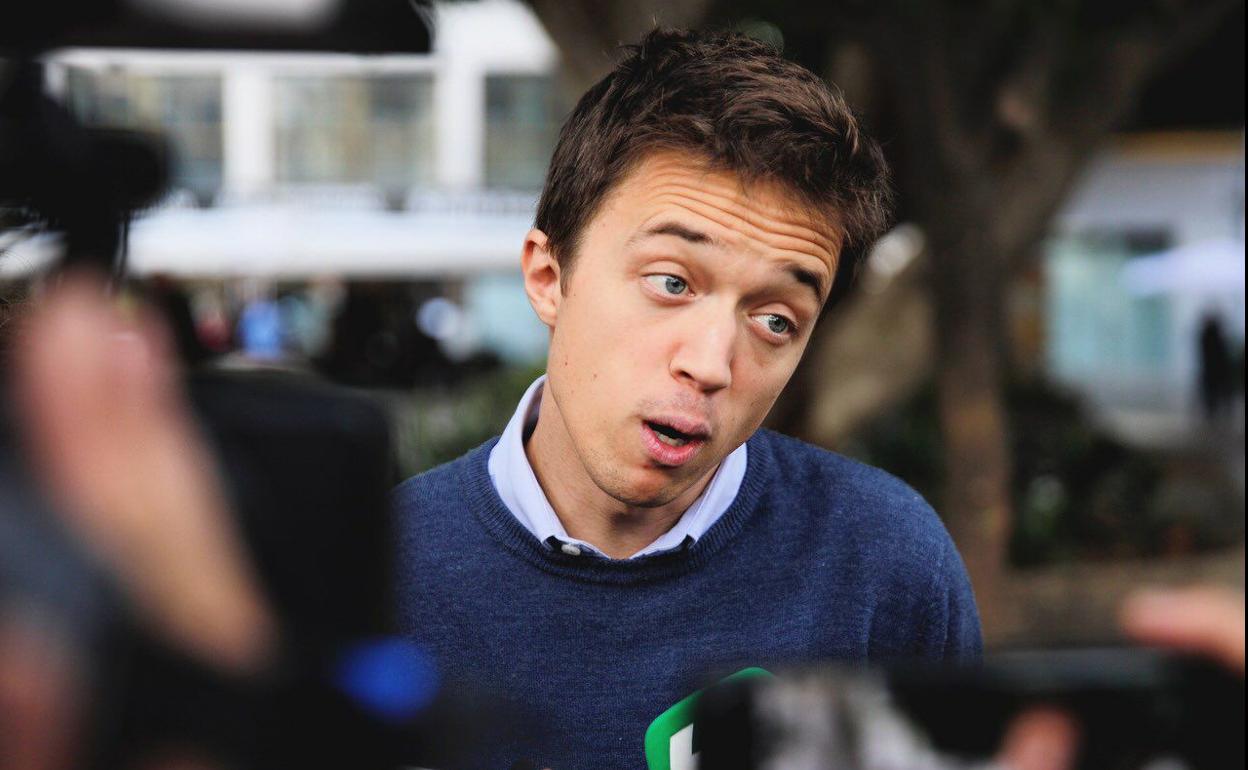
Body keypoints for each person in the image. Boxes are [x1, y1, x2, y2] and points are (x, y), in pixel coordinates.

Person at [392, 28, 981, 769]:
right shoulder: (379, 571)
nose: (710, 365)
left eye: (776, 320)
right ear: (549, 277)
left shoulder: (883, 565)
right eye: (671, 282)